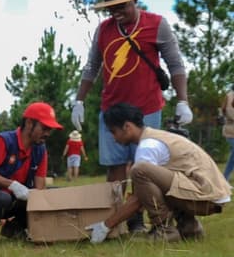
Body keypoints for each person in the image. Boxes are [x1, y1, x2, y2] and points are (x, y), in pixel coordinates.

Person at [71, 0, 192, 229]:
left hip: (146, 109)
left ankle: (141, 218)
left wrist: (183, 101)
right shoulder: (104, 30)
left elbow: (175, 64)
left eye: (122, 7)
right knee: (115, 167)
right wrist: (79, 101)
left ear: (134, 0)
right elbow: (92, 66)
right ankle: (114, 217)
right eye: (111, 9)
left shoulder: (156, 24)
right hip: (112, 110)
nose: (117, 14)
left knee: (144, 167)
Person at [86, 103, 230, 243]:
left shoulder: (148, 146)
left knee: (140, 170)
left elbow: (138, 199)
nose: (113, 138)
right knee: (160, 179)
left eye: (113, 132)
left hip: (205, 197)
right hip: (210, 194)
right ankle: (189, 228)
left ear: (127, 127)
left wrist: (106, 225)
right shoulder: (157, 137)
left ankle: (164, 231)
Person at [0, 102, 62, 246]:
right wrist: (12, 185)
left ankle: (16, 227)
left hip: (18, 200)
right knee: (2, 198)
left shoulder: (40, 149)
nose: (47, 134)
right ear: (28, 123)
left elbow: (40, 188)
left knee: (53, 194)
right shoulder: (3, 141)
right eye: (44, 128)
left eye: (50, 130)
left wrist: (41, 198)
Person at [223, 88, 234, 181]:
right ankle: (224, 178)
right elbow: (230, 112)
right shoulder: (230, 95)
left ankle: (224, 178)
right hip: (231, 131)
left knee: (232, 157)